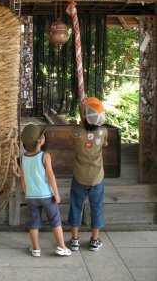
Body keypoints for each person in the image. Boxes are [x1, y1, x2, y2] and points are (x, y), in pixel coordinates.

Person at [20, 123, 71, 257]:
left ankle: (36, 249)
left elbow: (23, 179)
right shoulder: (45, 156)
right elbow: (50, 176)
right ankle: (61, 247)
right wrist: (57, 193)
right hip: (47, 196)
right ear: (41, 141)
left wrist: (26, 194)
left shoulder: (22, 158)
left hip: (31, 197)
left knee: (34, 223)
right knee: (55, 221)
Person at [68, 97, 108, 252]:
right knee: (97, 207)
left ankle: (75, 240)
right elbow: (103, 143)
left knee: (76, 205)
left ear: (83, 115)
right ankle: (94, 240)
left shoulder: (75, 132)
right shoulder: (103, 131)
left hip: (79, 176)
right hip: (97, 177)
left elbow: (72, 143)